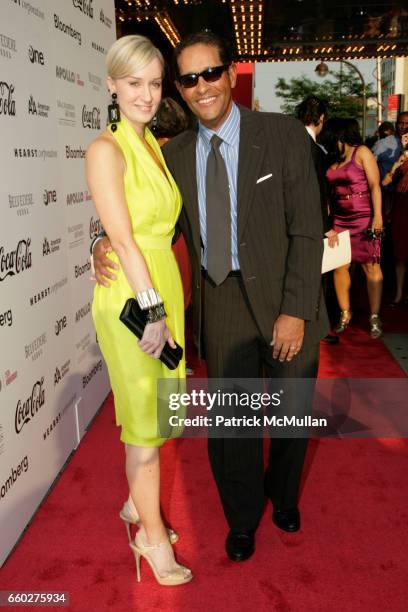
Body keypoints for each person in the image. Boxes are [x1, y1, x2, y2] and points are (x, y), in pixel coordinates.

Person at [93, 31, 328, 562]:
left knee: (292, 413)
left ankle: (284, 496)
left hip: (286, 298)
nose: (202, 87)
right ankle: (242, 518)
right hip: (219, 298)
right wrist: (99, 240)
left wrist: (296, 309)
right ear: (179, 88)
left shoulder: (284, 134)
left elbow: (308, 229)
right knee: (231, 427)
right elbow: (142, 219)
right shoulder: (170, 154)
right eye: (187, 79)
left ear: (230, 74)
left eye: (211, 74)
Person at [85, 35, 192, 586]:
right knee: (146, 428)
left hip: (159, 285)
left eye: (154, 83)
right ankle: (151, 541)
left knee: (163, 411)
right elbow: (122, 240)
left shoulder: (151, 142)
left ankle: (136, 505)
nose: (147, 95)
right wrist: (153, 313)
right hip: (134, 298)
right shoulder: (107, 149)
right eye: (134, 84)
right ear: (111, 85)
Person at [323, 118, 384, 338]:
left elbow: (375, 185)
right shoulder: (332, 157)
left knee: (371, 267)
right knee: (339, 267)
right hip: (340, 219)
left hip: (364, 217)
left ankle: (374, 316)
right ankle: (345, 313)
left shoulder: (362, 152)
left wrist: (377, 217)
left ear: (339, 134)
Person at [296, 95, 339, 345]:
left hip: (293, 223)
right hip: (308, 225)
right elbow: (313, 192)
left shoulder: (289, 141)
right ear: (321, 119)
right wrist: (326, 227)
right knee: (313, 275)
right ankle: (314, 326)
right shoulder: (309, 148)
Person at [382, 130, 408, 305]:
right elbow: (385, 182)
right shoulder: (402, 157)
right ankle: (399, 294)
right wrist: (398, 162)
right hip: (402, 208)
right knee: (400, 254)